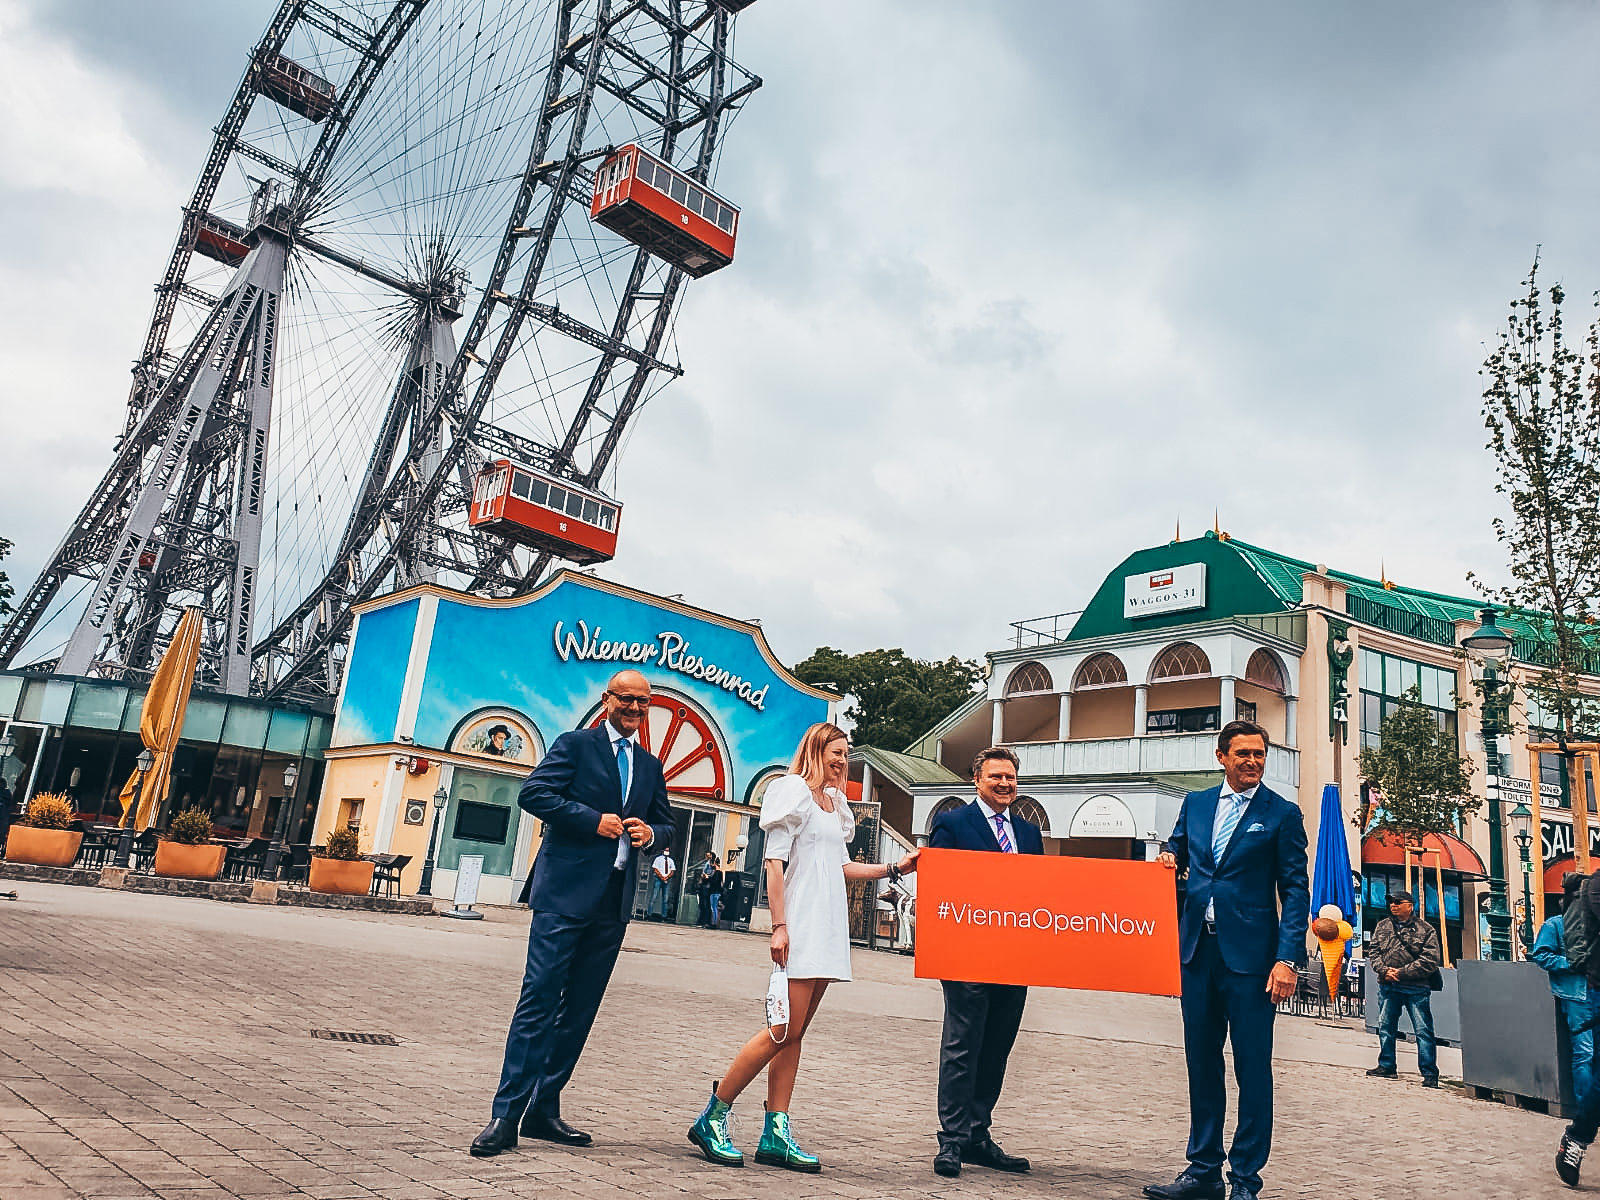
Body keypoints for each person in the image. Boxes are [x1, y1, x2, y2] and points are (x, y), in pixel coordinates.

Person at [687, 722, 918, 1171]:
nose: (841, 760)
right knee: (780, 1030)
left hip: (828, 926)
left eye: (846, 753)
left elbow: (842, 867)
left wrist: (895, 869)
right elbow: (775, 865)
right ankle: (713, 1115)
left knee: (794, 1035)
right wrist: (779, 926)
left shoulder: (834, 803)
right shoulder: (791, 791)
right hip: (800, 923)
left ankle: (776, 1130)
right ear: (815, 749)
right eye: (836, 751)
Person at [470, 669, 674, 1158]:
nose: (634, 709)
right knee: (539, 1000)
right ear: (607, 700)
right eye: (626, 699)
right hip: (562, 896)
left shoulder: (649, 765)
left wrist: (653, 835)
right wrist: (592, 821)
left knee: (579, 1009)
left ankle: (544, 1109)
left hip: (612, 902)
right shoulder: (575, 745)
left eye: (643, 703)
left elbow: (668, 823)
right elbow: (534, 794)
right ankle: (505, 1116)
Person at [1148, 720, 1308, 1200]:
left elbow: (1295, 889)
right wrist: (1166, 854)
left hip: (1254, 962)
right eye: (1242, 753)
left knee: (1252, 1068)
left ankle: (1245, 1181)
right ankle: (1202, 1172)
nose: (1252, 761)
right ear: (1221, 756)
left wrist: (1287, 959)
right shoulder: (1195, 804)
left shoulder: (1281, 814)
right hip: (1198, 952)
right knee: (1201, 1062)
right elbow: (1178, 846)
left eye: (1259, 754)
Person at [927, 746, 1042, 1179]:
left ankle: (978, 1134)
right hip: (966, 956)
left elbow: (1042, 895)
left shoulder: (1029, 834)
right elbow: (938, 885)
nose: (1004, 784)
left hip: (1015, 959)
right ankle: (952, 1139)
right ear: (977, 779)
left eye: (1010, 777)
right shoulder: (954, 824)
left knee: (996, 1048)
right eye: (995, 776)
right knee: (963, 1046)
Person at [1364, 889, 1442, 1087]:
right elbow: (1373, 951)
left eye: (1398, 902)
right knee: (1386, 1027)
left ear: (1410, 905)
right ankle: (1387, 1065)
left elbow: (1430, 960)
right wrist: (1383, 970)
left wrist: (1402, 973)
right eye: (1391, 902)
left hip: (1416, 988)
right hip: (1388, 986)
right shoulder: (1382, 926)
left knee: (1423, 1031)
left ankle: (1430, 1073)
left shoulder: (1426, 930)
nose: (1393, 905)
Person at [1531, 873, 1590, 1107]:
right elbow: (1542, 955)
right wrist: (1573, 963)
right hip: (1577, 995)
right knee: (1586, 1053)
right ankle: (1587, 1109)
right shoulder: (1555, 925)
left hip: (1591, 993)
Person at [647, 843, 676, 920]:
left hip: (667, 880)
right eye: (666, 850)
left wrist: (666, 877)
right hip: (658, 879)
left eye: (668, 850)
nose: (667, 851)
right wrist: (662, 877)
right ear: (663, 851)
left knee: (665, 899)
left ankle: (664, 916)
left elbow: (672, 871)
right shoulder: (658, 859)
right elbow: (655, 869)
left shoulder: (671, 860)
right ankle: (649, 914)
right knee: (654, 897)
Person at [696, 852, 724, 928]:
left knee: (713, 907)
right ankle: (713, 923)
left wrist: (708, 878)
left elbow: (715, 881)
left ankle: (714, 923)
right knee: (713, 907)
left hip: (715, 892)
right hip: (714, 891)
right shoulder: (718, 872)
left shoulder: (718, 872)